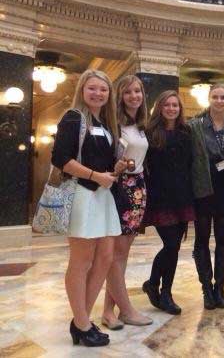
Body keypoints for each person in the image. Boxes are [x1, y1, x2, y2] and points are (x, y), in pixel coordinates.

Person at [51, 69, 126, 347]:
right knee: (81, 261)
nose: (98, 93)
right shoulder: (73, 117)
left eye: (103, 90)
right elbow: (62, 159)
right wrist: (96, 176)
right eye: (92, 88)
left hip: (102, 196)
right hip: (83, 194)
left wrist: (114, 169)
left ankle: (81, 319)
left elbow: (100, 161)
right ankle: (82, 323)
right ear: (82, 90)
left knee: (105, 257)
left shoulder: (105, 124)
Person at [101, 75, 153, 330]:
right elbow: (107, 161)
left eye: (138, 91)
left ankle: (109, 311)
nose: (134, 96)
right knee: (116, 255)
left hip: (138, 188)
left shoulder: (140, 125)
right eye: (128, 92)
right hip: (120, 188)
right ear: (120, 96)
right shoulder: (114, 124)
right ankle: (127, 309)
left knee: (122, 254)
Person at [142, 91, 195, 315]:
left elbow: (191, 162)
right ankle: (155, 284)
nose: (171, 108)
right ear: (160, 107)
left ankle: (165, 291)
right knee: (171, 244)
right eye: (167, 105)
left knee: (174, 247)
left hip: (182, 195)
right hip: (160, 196)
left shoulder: (186, 131)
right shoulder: (150, 132)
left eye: (175, 105)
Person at [188, 84, 224, 310]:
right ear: (208, 99)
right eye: (215, 97)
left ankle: (220, 286)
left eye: (223, 97)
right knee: (201, 239)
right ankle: (206, 288)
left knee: (223, 240)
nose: (219, 101)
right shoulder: (196, 126)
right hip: (202, 189)